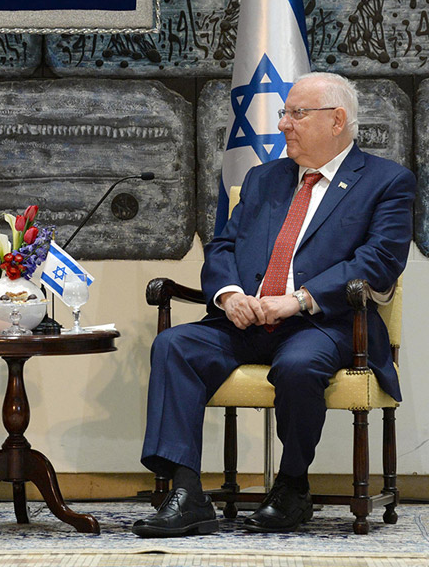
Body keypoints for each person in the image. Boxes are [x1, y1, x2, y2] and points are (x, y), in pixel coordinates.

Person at [133, 72, 415, 537]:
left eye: (296, 113)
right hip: (246, 321)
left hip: (328, 325)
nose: (283, 123)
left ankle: (291, 486)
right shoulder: (263, 178)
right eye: (284, 112)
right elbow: (222, 246)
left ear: (337, 120)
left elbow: (378, 262)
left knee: (300, 365)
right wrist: (229, 296)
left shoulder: (385, 182)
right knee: (175, 346)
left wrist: (300, 300)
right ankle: (187, 494)